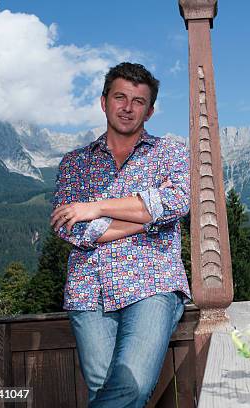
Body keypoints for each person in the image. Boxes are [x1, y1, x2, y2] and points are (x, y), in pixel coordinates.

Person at [50, 62, 191, 407]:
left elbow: (177, 202)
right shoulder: (74, 163)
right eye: (120, 97)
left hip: (152, 283)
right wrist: (149, 217)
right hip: (88, 291)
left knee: (131, 389)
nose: (128, 108)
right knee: (103, 393)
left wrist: (96, 207)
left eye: (138, 101)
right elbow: (72, 228)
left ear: (150, 110)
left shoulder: (170, 153)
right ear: (104, 102)